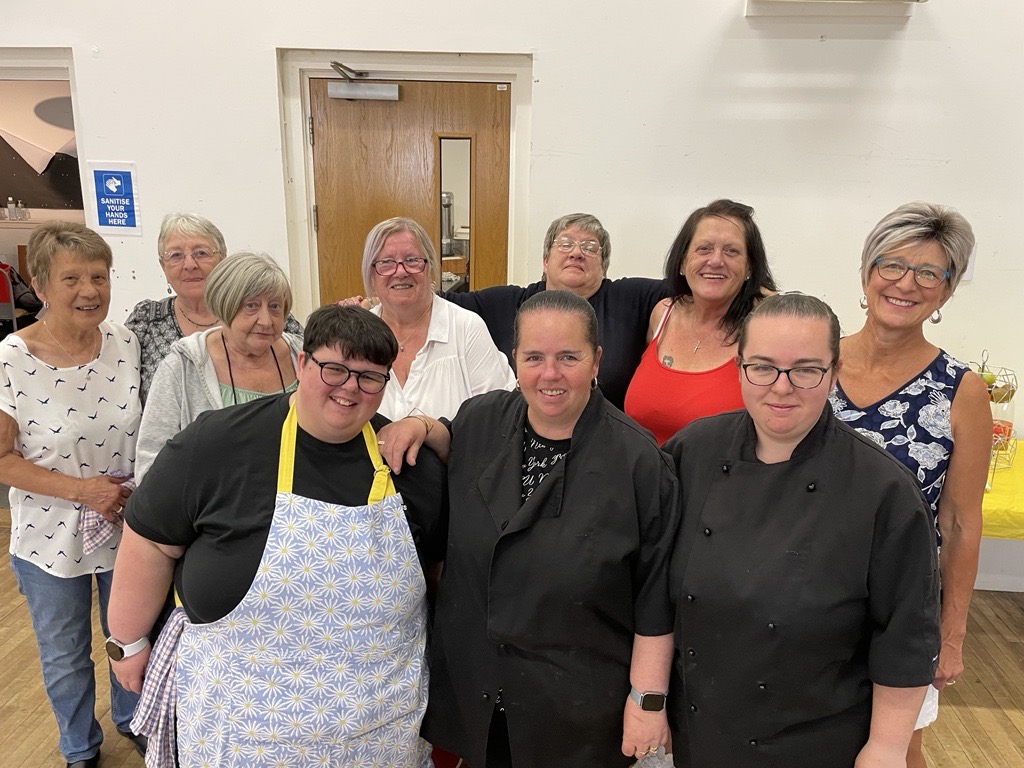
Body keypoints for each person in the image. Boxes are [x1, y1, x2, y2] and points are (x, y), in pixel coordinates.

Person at [108, 305, 447, 768]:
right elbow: (150, 539)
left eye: (370, 376)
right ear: (303, 364)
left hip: (378, 730)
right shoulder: (216, 444)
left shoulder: (409, 466)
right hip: (242, 730)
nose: (351, 387)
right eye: (335, 368)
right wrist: (126, 643)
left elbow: (439, 574)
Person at [380, 290, 679, 768]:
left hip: (576, 705)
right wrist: (419, 424)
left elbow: (654, 596)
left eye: (568, 357)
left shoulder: (639, 462)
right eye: (534, 357)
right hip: (480, 687)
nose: (550, 374)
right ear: (514, 360)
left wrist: (648, 701)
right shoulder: (482, 419)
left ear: (596, 360)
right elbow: (448, 436)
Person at [665, 293, 940, 768]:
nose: (782, 387)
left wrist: (888, 746)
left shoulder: (883, 489)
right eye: (764, 367)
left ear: (833, 372)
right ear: (740, 368)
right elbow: (650, 586)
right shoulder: (692, 453)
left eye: (806, 369)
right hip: (698, 728)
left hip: (818, 739)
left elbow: (906, 636)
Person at [830, 202, 991, 768]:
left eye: (930, 273)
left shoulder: (962, 391)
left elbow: (961, 522)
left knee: (896, 748)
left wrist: (952, 635)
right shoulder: (811, 363)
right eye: (892, 264)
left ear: (946, 293)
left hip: (901, 604)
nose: (906, 283)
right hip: (799, 589)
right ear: (866, 271)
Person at [0, 221, 145, 768]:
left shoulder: (125, 342)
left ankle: (134, 721)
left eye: (99, 276)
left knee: (128, 634)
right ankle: (79, 748)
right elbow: (1, 460)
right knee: (65, 653)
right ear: (40, 285)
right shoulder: (12, 357)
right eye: (72, 279)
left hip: (126, 523)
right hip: (49, 534)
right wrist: (83, 490)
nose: (90, 290)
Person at [135, 250, 303, 480]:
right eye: (251, 306)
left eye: (275, 307)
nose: (266, 320)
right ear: (225, 305)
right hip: (214, 510)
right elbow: (151, 463)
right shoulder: (183, 366)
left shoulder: (303, 357)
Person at [625, 199, 777, 444]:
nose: (716, 260)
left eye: (732, 251)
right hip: (643, 478)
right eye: (704, 249)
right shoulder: (662, 314)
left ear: (750, 267)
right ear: (683, 262)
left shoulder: (765, 327)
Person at [125, 213, 302, 403]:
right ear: (163, 266)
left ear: (223, 259)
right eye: (176, 255)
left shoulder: (272, 319)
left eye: (201, 253)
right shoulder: (146, 320)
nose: (190, 265)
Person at [361, 217, 514, 420]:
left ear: (430, 268)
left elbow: (499, 418)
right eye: (386, 263)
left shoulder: (467, 328)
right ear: (371, 275)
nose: (400, 271)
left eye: (412, 260)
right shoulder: (358, 335)